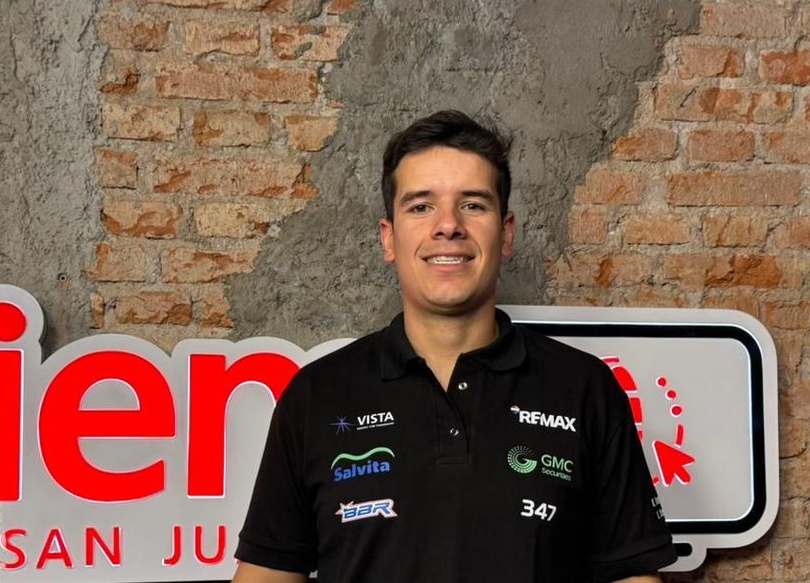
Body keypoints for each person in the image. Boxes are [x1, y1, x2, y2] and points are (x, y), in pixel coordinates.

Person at [233, 110, 675, 582]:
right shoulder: (317, 394)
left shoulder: (584, 388)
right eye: (421, 206)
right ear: (389, 238)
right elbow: (267, 575)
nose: (448, 225)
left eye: (473, 205)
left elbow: (631, 575)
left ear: (506, 232)